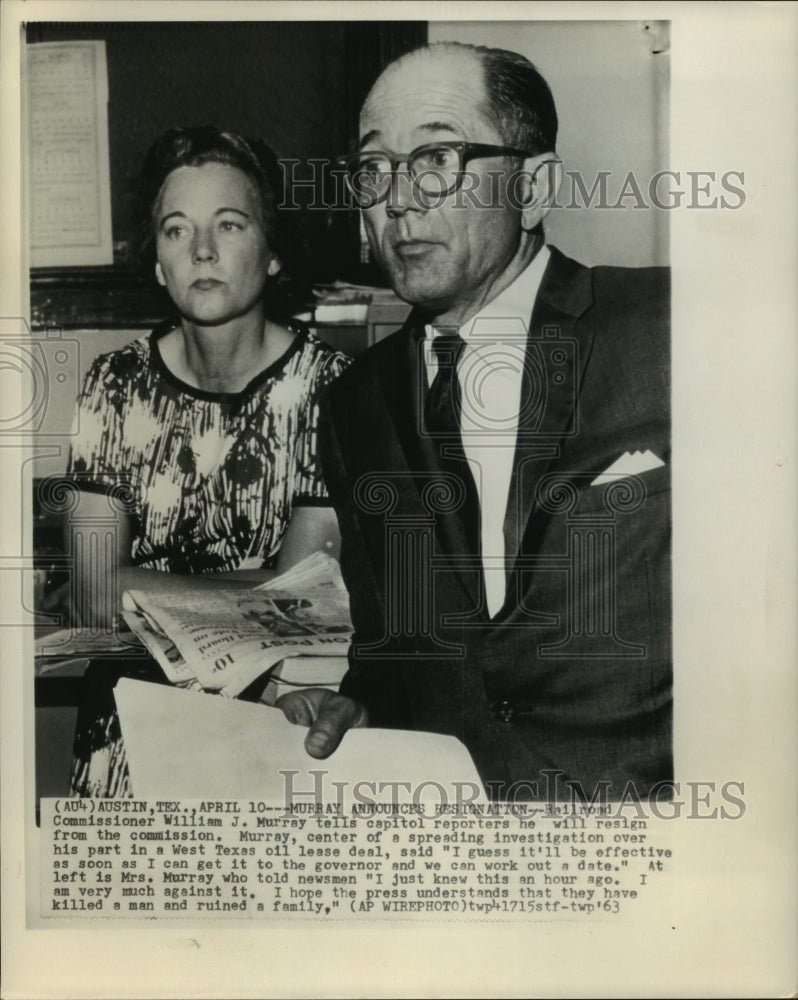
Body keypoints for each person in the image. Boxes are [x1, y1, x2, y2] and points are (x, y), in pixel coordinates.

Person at [277, 42, 671, 803]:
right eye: (374, 169)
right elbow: (393, 650)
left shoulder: (666, 331)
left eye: (437, 157)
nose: (397, 200)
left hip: (655, 846)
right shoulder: (354, 405)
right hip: (458, 852)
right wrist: (363, 705)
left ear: (533, 186)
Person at [66, 126, 350, 795]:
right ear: (159, 263)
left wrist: (133, 582)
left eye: (229, 224)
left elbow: (310, 609)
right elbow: (86, 594)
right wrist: (262, 588)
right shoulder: (112, 385)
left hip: (274, 720)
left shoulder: (332, 389)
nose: (202, 250)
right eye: (176, 230)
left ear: (273, 250)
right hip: (125, 730)